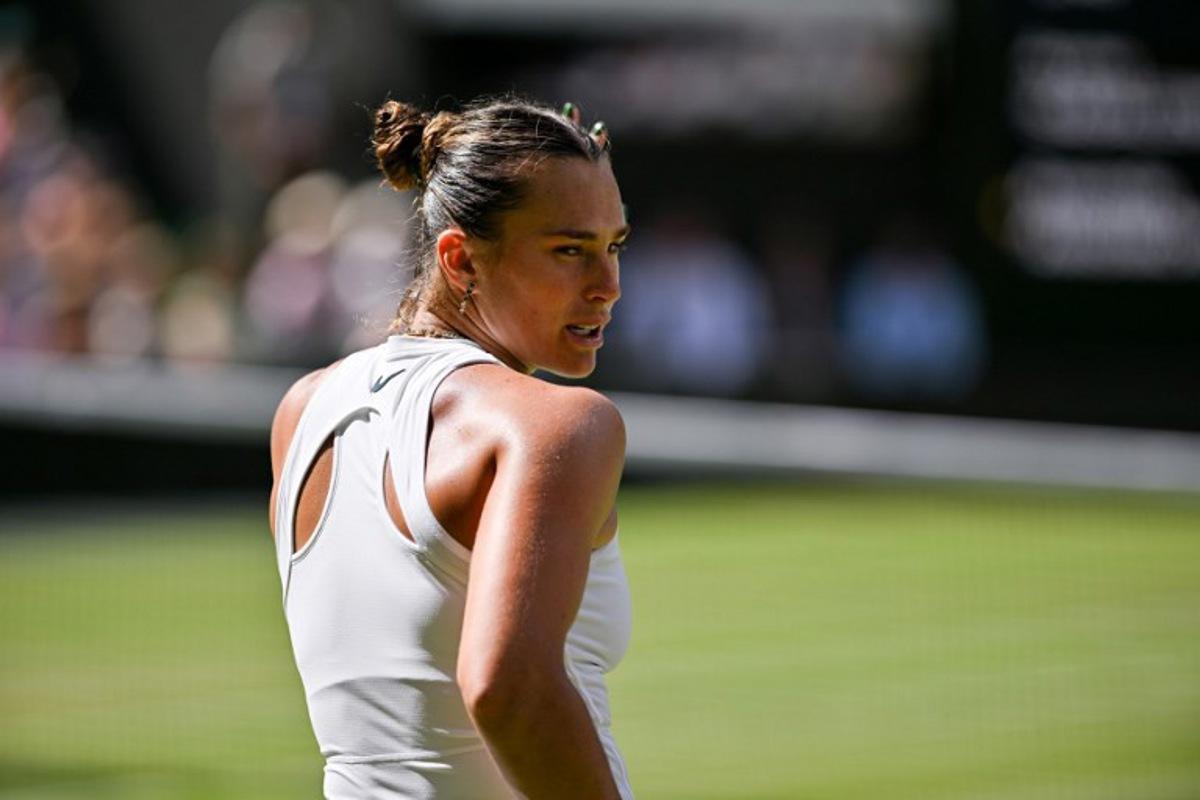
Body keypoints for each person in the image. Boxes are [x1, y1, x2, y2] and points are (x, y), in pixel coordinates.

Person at [267, 96, 634, 799]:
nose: (608, 287)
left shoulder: (303, 410)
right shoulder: (559, 426)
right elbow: (508, 688)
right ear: (460, 258)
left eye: (613, 246)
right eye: (569, 250)